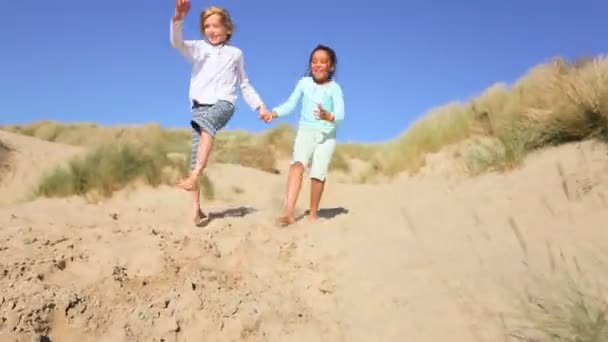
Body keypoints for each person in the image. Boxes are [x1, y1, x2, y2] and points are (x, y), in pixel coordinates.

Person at [170, 0, 269, 226]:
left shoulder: (235, 54)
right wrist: (178, 18)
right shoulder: (198, 49)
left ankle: (194, 177)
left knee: (207, 127)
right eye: (207, 26)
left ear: (227, 29)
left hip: (225, 103)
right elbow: (177, 43)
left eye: (216, 26)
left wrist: (260, 106)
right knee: (196, 157)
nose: (211, 31)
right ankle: (196, 211)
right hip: (199, 106)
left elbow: (244, 84)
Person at [261, 45, 345, 226]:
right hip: (305, 131)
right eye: (314, 61)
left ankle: (313, 213)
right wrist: (273, 113)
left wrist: (328, 116)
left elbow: (340, 116)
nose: (318, 65)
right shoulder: (304, 83)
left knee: (318, 173)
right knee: (297, 165)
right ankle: (288, 211)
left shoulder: (335, 88)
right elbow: (291, 103)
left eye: (323, 62)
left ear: (331, 67)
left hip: (326, 135)